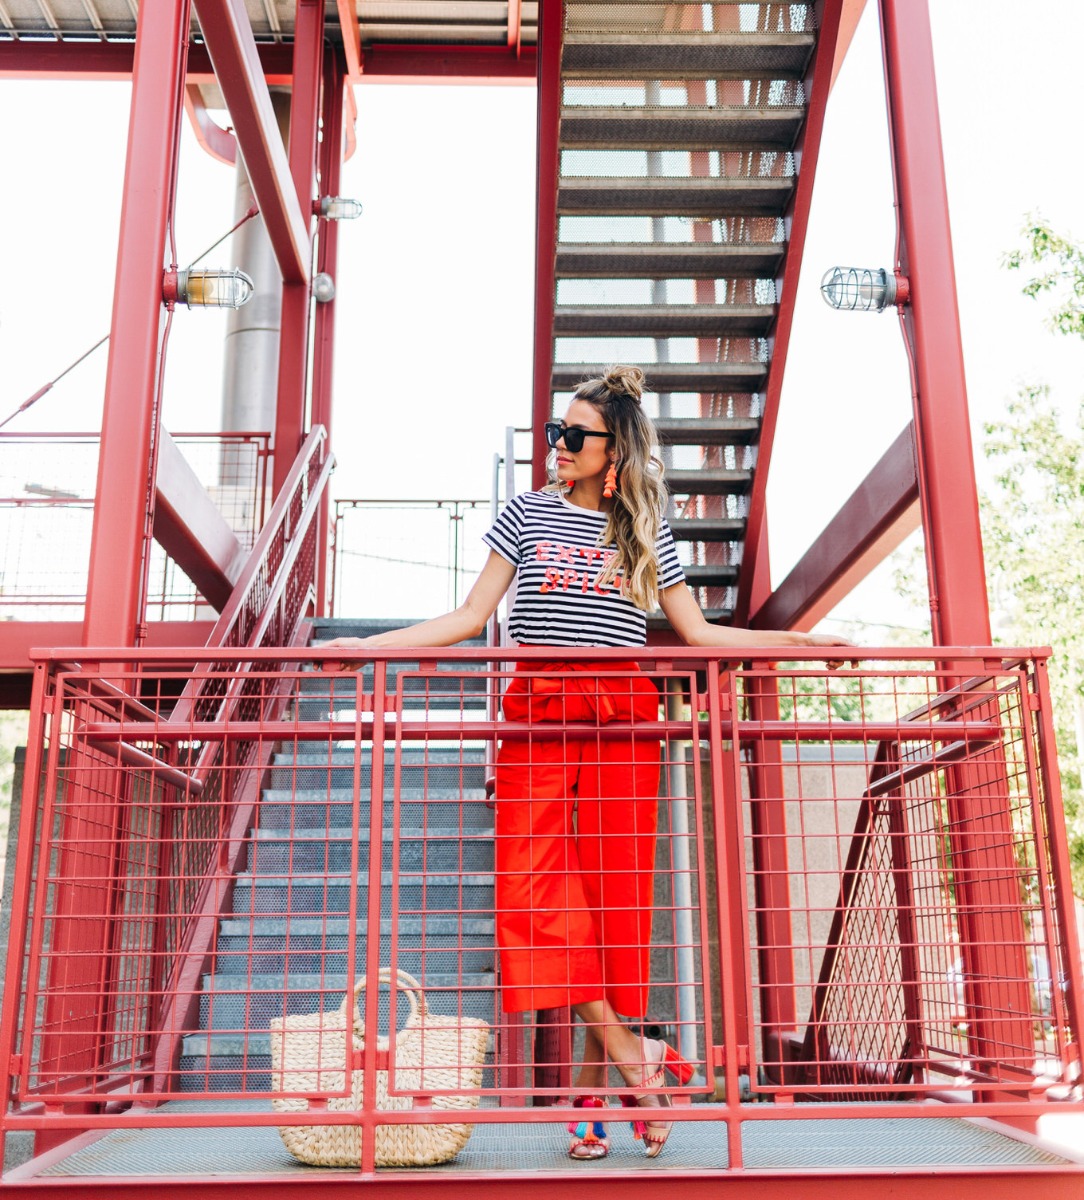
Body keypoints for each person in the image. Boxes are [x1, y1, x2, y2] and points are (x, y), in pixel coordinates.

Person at [323, 365, 851, 1160]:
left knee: (613, 905)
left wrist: (801, 642)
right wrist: (370, 648)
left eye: (575, 435)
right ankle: (640, 1059)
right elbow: (469, 616)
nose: (558, 446)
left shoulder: (644, 530)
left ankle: (591, 1101)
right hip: (538, 712)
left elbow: (699, 634)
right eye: (554, 432)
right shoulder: (526, 512)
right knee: (531, 894)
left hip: (620, 717)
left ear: (616, 451)